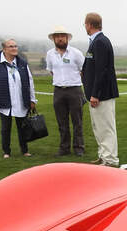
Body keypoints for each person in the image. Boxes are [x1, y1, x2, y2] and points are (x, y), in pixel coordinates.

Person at [0, 39, 37, 158]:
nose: (14, 48)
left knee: (22, 127)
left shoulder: (22, 63)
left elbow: (30, 81)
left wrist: (32, 99)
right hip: (4, 99)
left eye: (15, 46)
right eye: (11, 46)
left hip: (21, 99)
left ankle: (24, 150)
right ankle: (6, 152)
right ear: (4, 49)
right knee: (5, 127)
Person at [82, 12, 119, 167]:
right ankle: (103, 155)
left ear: (89, 25)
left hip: (102, 95)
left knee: (106, 127)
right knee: (98, 127)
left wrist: (95, 94)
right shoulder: (95, 41)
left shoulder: (100, 42)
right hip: (95, 94)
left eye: (85, 24)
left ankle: (110, 159)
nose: (85, 26)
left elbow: (101, 70)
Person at [45, 25, 86, 157]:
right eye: (57, 37)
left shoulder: (76, 53)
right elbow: (51, 70)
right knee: (62, 122)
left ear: (67, 38)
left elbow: (83, 69)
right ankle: (64, 148)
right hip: (58, 91)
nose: (60, 39)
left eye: (63, 36)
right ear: (54, 39)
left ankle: (79, 147)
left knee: (77, 121)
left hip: (74, 90)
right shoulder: (50, 54)